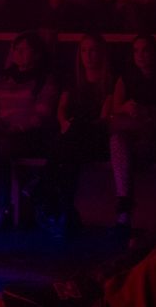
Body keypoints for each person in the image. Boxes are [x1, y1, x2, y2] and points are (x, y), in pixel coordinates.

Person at [108, 34, 156, 234]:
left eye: (145, 50)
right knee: (117, 140)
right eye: (136, 51)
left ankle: (131, 211)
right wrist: (126, 107)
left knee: (135, 147)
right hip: (133, 138)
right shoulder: (126, 78)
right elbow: (115, 110)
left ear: (155, 53)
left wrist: (148, 112)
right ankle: (124, 205)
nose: (140, 55)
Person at [39, 32, 114, 238]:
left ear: (101, 54)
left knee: (74, 135)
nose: (88, 55)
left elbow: (104, 117)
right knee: (69, 159)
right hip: (73, 139)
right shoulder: (73, 81)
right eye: (84, 50)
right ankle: (67, 214)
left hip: (97, 137)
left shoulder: (110, 82)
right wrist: (64, 123)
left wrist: (73, 127)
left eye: (92, 51)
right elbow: (62, 109)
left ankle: (43, 187)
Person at [0, 32, 59, 230]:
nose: (18, 54)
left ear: (36, 53)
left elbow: (43, 112)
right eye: (16, 50)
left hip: (29, 134)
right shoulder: (4, 78)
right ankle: (7, 203)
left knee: (2, 148)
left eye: (23, 50)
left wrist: (18, 127)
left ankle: (4, 206)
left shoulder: (44, 79)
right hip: (2, 132)